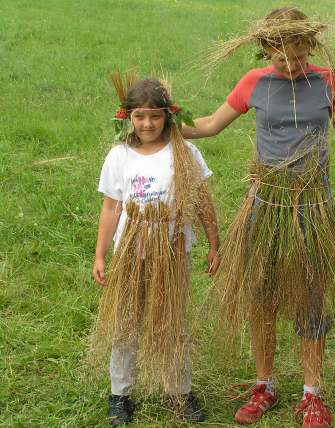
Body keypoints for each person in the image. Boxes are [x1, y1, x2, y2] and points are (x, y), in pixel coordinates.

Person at [182, 7, 335, 428]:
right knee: (262, 294)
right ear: (264, 51)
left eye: (297, 56)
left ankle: (312, 393)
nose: (290, 66)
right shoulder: (253, 83)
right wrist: (163, 124)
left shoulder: (328, 81)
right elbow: (209, 125)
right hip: (266, 206)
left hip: (313, 208)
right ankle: (265, 385)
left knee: (312, 296)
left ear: (310, 46)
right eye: (280, 58)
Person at [91, 75, 220, 426]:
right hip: (131, 250)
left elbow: (203, 202)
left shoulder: (184, 152)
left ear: (168, 116)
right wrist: (101, 255)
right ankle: (120, 394)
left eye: (155, 116)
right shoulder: (119, 156)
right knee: (126, 321)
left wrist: (214, 243)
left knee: (172, 322)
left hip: (173, 250)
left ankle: (180, 391)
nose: (147, 124)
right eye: (139, 116)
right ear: (127, 117)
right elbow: (111, 207)